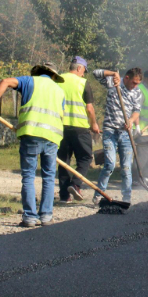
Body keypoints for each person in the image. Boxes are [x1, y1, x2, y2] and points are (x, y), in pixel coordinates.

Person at [0, 62, 65, 227]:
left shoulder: (29, 81)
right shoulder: (60, 91)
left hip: (31, 134)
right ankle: (46, 216)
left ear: (38, 72)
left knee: (28, 176)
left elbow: (6, 81)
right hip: (52, 137)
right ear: (54, 76)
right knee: (49, 177)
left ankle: (29, 217)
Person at [91, 67, 143, 205]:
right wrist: (113, 73)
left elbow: (137, 111)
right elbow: (95, 73)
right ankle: (99, 194)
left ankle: (126, 198)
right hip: (110, 131)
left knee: (126, 167)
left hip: (126, 134)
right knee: (110, 165)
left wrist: (131, 121)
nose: (135, 86)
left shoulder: (137, 92)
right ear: (127, 78)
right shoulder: (114, 83)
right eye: (134, 82)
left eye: (138, 83)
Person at [57, 56, 100, 203]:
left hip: (60, 126)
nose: (83, 74)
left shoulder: (58, 80)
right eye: (83, 71)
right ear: (79, 68)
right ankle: (76, 184)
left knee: (63, 161)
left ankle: (64, 196)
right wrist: (94, 124)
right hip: (80, 127)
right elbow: (89, 108)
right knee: (86, 158)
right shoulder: (83, 83)